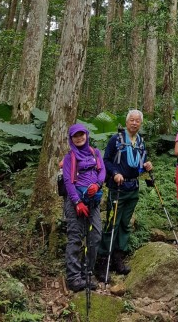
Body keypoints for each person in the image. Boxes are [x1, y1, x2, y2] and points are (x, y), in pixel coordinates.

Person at [95, 110, 152, 281]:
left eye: (138, 121)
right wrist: (114, 173)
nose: (135, 123)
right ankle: (103, 262)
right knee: (112, 223)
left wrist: (147, 165)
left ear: (140, 124)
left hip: (133, 187)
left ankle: (118, 259)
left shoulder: (140, 141)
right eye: (132, 120)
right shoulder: (116, 139)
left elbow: (140, 163)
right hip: (117, 187)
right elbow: (106, 160)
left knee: (125, 225)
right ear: (126, 122)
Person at [62, 123, 106, 292]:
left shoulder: (95, 153)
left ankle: (87, 272)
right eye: (75, 136)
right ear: (71, 138)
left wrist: (98, 184)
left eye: (82, 134)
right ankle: (73, 278)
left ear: (87, 135)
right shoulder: (70, 157)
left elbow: (102, 171)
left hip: (93, 201)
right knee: (75, 238)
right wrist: (77, 202)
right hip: (76, 203)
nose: (79, 138)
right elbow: (68, 181)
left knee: (95, 235)